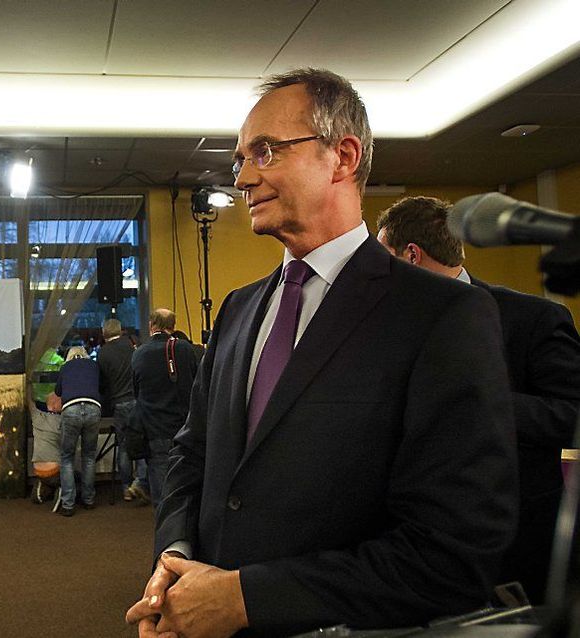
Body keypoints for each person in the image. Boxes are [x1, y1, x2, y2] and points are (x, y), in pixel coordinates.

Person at [127, 68, 518, 637]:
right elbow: (193, 455)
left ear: (343, 156)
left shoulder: (442, 316)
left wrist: (246, 599)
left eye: (265, 152)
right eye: (240, 160)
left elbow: (454, 552)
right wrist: (176, 560)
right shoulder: (237, 310)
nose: (242, 179)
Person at [378, 195, 580, 604]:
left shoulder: (532, 319)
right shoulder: (377, 329)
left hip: (513, 546)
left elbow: (573, 414)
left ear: (411, 256)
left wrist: (478, 402)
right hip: (406, 548)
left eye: (383, 258)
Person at [129, 309, 198, 509]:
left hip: (154, 427)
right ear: (173, 325)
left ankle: (165, 532)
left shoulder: (139, 353)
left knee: (161, 491)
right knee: (184, 484)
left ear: (152, 325)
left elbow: (137, 392)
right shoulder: (185, 349)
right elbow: (197, 384)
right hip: (183, 426)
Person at [97, 318, 149, 503]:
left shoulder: (102, 354)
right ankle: (141, 483)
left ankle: (126, 488)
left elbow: (102, 384)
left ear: (104, 333)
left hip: (119, 403)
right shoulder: (132, 347)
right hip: (138, 400)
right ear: (121, 330)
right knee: (142, 443)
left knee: (125, 446)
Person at [53, 346, 103, 516]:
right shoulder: (93, 366)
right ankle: (88, 499)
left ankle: (68, 504)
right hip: (93, 408)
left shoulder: (65, 367)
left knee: (67, 457)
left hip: (71, 409)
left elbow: (58, 391)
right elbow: (101, 387)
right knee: (88, 456)